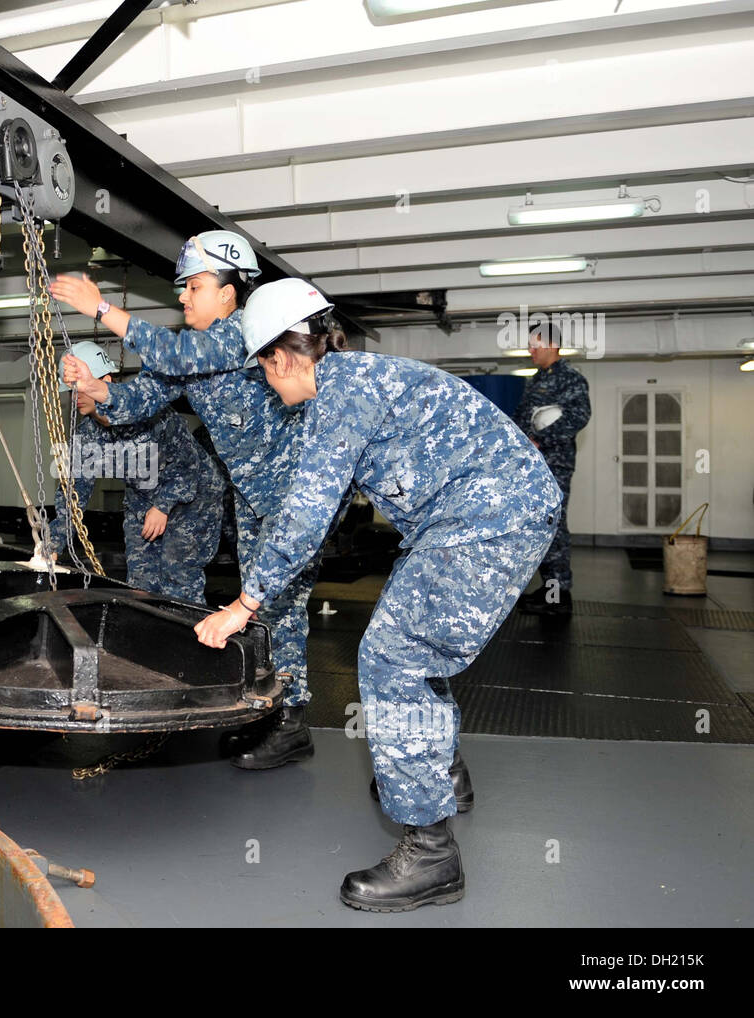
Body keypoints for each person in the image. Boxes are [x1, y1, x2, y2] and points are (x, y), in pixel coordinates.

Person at [192, 278, 563, 911]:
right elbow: (323, 503)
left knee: (393, 655)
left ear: (281, 357)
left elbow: (307, 515)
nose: (267, 386)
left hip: (487, 519)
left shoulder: (341, 394)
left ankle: (430, 852)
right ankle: (440, 773)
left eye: (263, 371)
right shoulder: (352, 383)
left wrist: (243, 605)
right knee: (419, 647)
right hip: (488, 513)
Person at [52, 231, 335, 769]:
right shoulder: (188, 351)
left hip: (294, 494)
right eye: (183, 287)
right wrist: (95, 389)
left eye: (195, 286)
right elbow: (135, 400)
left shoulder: (245, 332)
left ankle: (292, 720)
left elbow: (177, 353)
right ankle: (267, 710)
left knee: (280, 608)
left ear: (230, 293)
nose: (183, 296)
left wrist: (103, 308)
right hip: (251, 500)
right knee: (260, 613)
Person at [47, 341, 225, 602]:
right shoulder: (87, 434)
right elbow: (74, 493)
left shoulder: (149, 412)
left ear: (105, 380)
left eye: (80, 389)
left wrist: (163, 506)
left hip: (195, 496)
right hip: (142, 499)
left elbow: (188, 466)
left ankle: (186, 639)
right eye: (70, 392)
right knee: (141, 585)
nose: (75, 398)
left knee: (178, 577)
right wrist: (52, 544)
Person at [512, 321, 591, 616]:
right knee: (540, 526)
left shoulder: (571, 379)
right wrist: (521, 441)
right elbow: (521, 418)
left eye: (535, 344)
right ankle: (549, 589)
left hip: (555, 464)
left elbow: (579, 417)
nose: (530, 350)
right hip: (534, 466)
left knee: (553, 525)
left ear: (551, 344)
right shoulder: (535, 380)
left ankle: (559, 596)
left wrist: (540, 439)